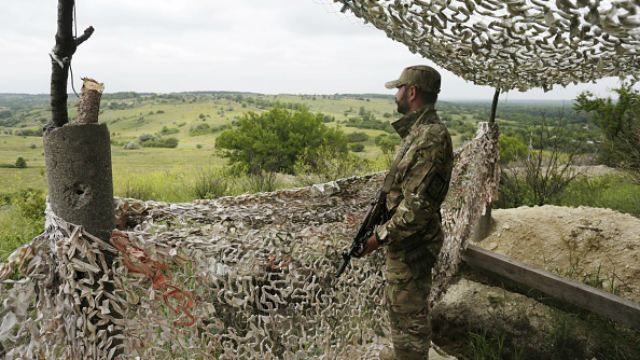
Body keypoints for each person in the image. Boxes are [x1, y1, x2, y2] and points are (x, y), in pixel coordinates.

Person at [358, 65, 454, 359]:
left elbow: (418, 207)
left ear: (412, 92)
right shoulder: (418, 133)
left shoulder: (430, 138)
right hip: (406, 244)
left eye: (398, 90)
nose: (395, 96)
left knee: (409, 324)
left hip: (413, 246)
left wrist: (377, 238)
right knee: (403, 317)